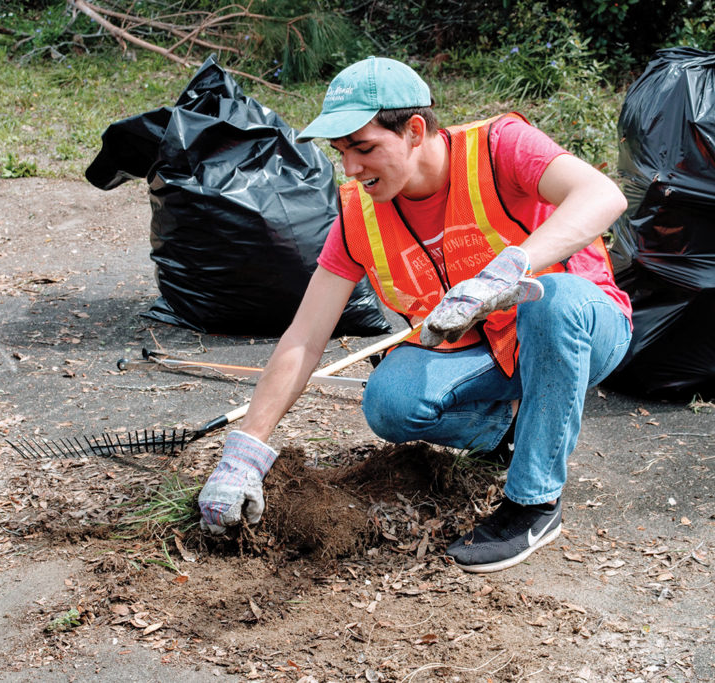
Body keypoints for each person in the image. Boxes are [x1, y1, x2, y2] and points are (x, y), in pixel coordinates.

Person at [197, 56, 633, 574]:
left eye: (364, 148)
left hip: (580, 327)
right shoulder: (360, 214)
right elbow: (305, 336)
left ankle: (533, 504)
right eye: (342, 153)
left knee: (553, 299)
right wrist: (245, 451)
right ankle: (512, 429)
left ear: (414, 130)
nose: (353, 170)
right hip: (487, 349)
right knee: (390, 401)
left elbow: (604, 195)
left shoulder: (500, 148)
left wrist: (510, 268)